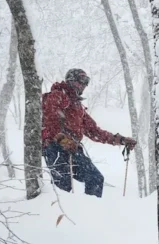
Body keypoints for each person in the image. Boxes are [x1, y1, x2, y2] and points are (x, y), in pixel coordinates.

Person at [41, 68, 136, 197]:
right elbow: (49, 120)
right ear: (70, 81)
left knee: (95, 178)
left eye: (85, 83)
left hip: (73, 149)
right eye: (79, 82)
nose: (82, 86)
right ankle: (61, 215)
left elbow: (94, 131)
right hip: (55, 148)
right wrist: (62, 140)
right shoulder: (57, 95)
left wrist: (120, 139)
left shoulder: (77, 107)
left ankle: (91, 212)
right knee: (63, 187)